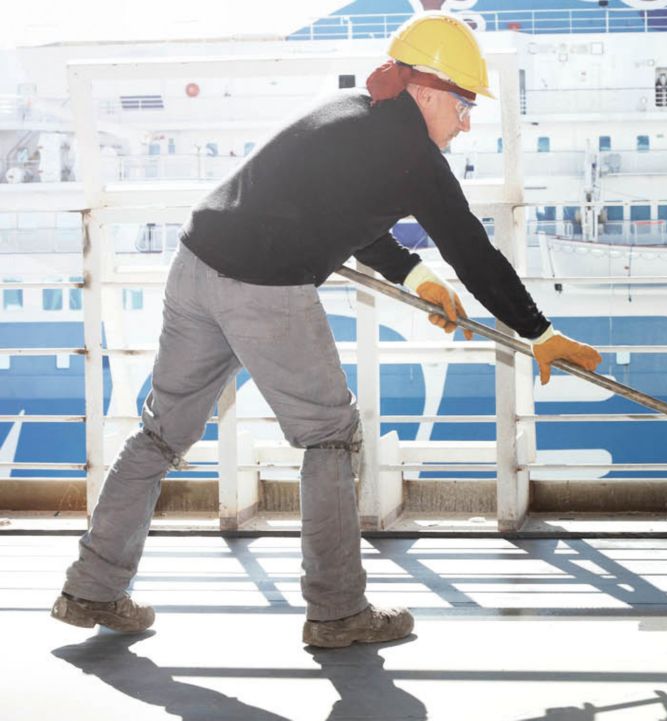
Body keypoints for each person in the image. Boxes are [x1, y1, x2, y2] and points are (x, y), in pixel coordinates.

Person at [50, 12, 602, 648]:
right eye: (464, 103)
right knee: (331, 437)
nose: (467, 120)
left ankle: (92, 587)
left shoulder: (347, 110)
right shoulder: (414, 158)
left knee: (161, 433)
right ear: (427, 90)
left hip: (196, 265)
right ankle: (337, 611)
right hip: (264, 287)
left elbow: (345, 212)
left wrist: (415, 275)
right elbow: (475, 253)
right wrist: (539, 332)